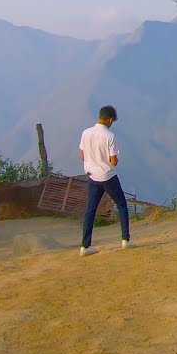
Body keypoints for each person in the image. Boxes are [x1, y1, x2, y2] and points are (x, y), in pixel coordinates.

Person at [78, 105, 132, 256]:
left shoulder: (86, 133)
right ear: (110, 120)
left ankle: (85, 246)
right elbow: (113, 161)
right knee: (121, 204)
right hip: (108, 176)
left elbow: (83, 155)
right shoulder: (110, 136)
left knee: (91, 210)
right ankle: (125, 240)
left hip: (92, 176)